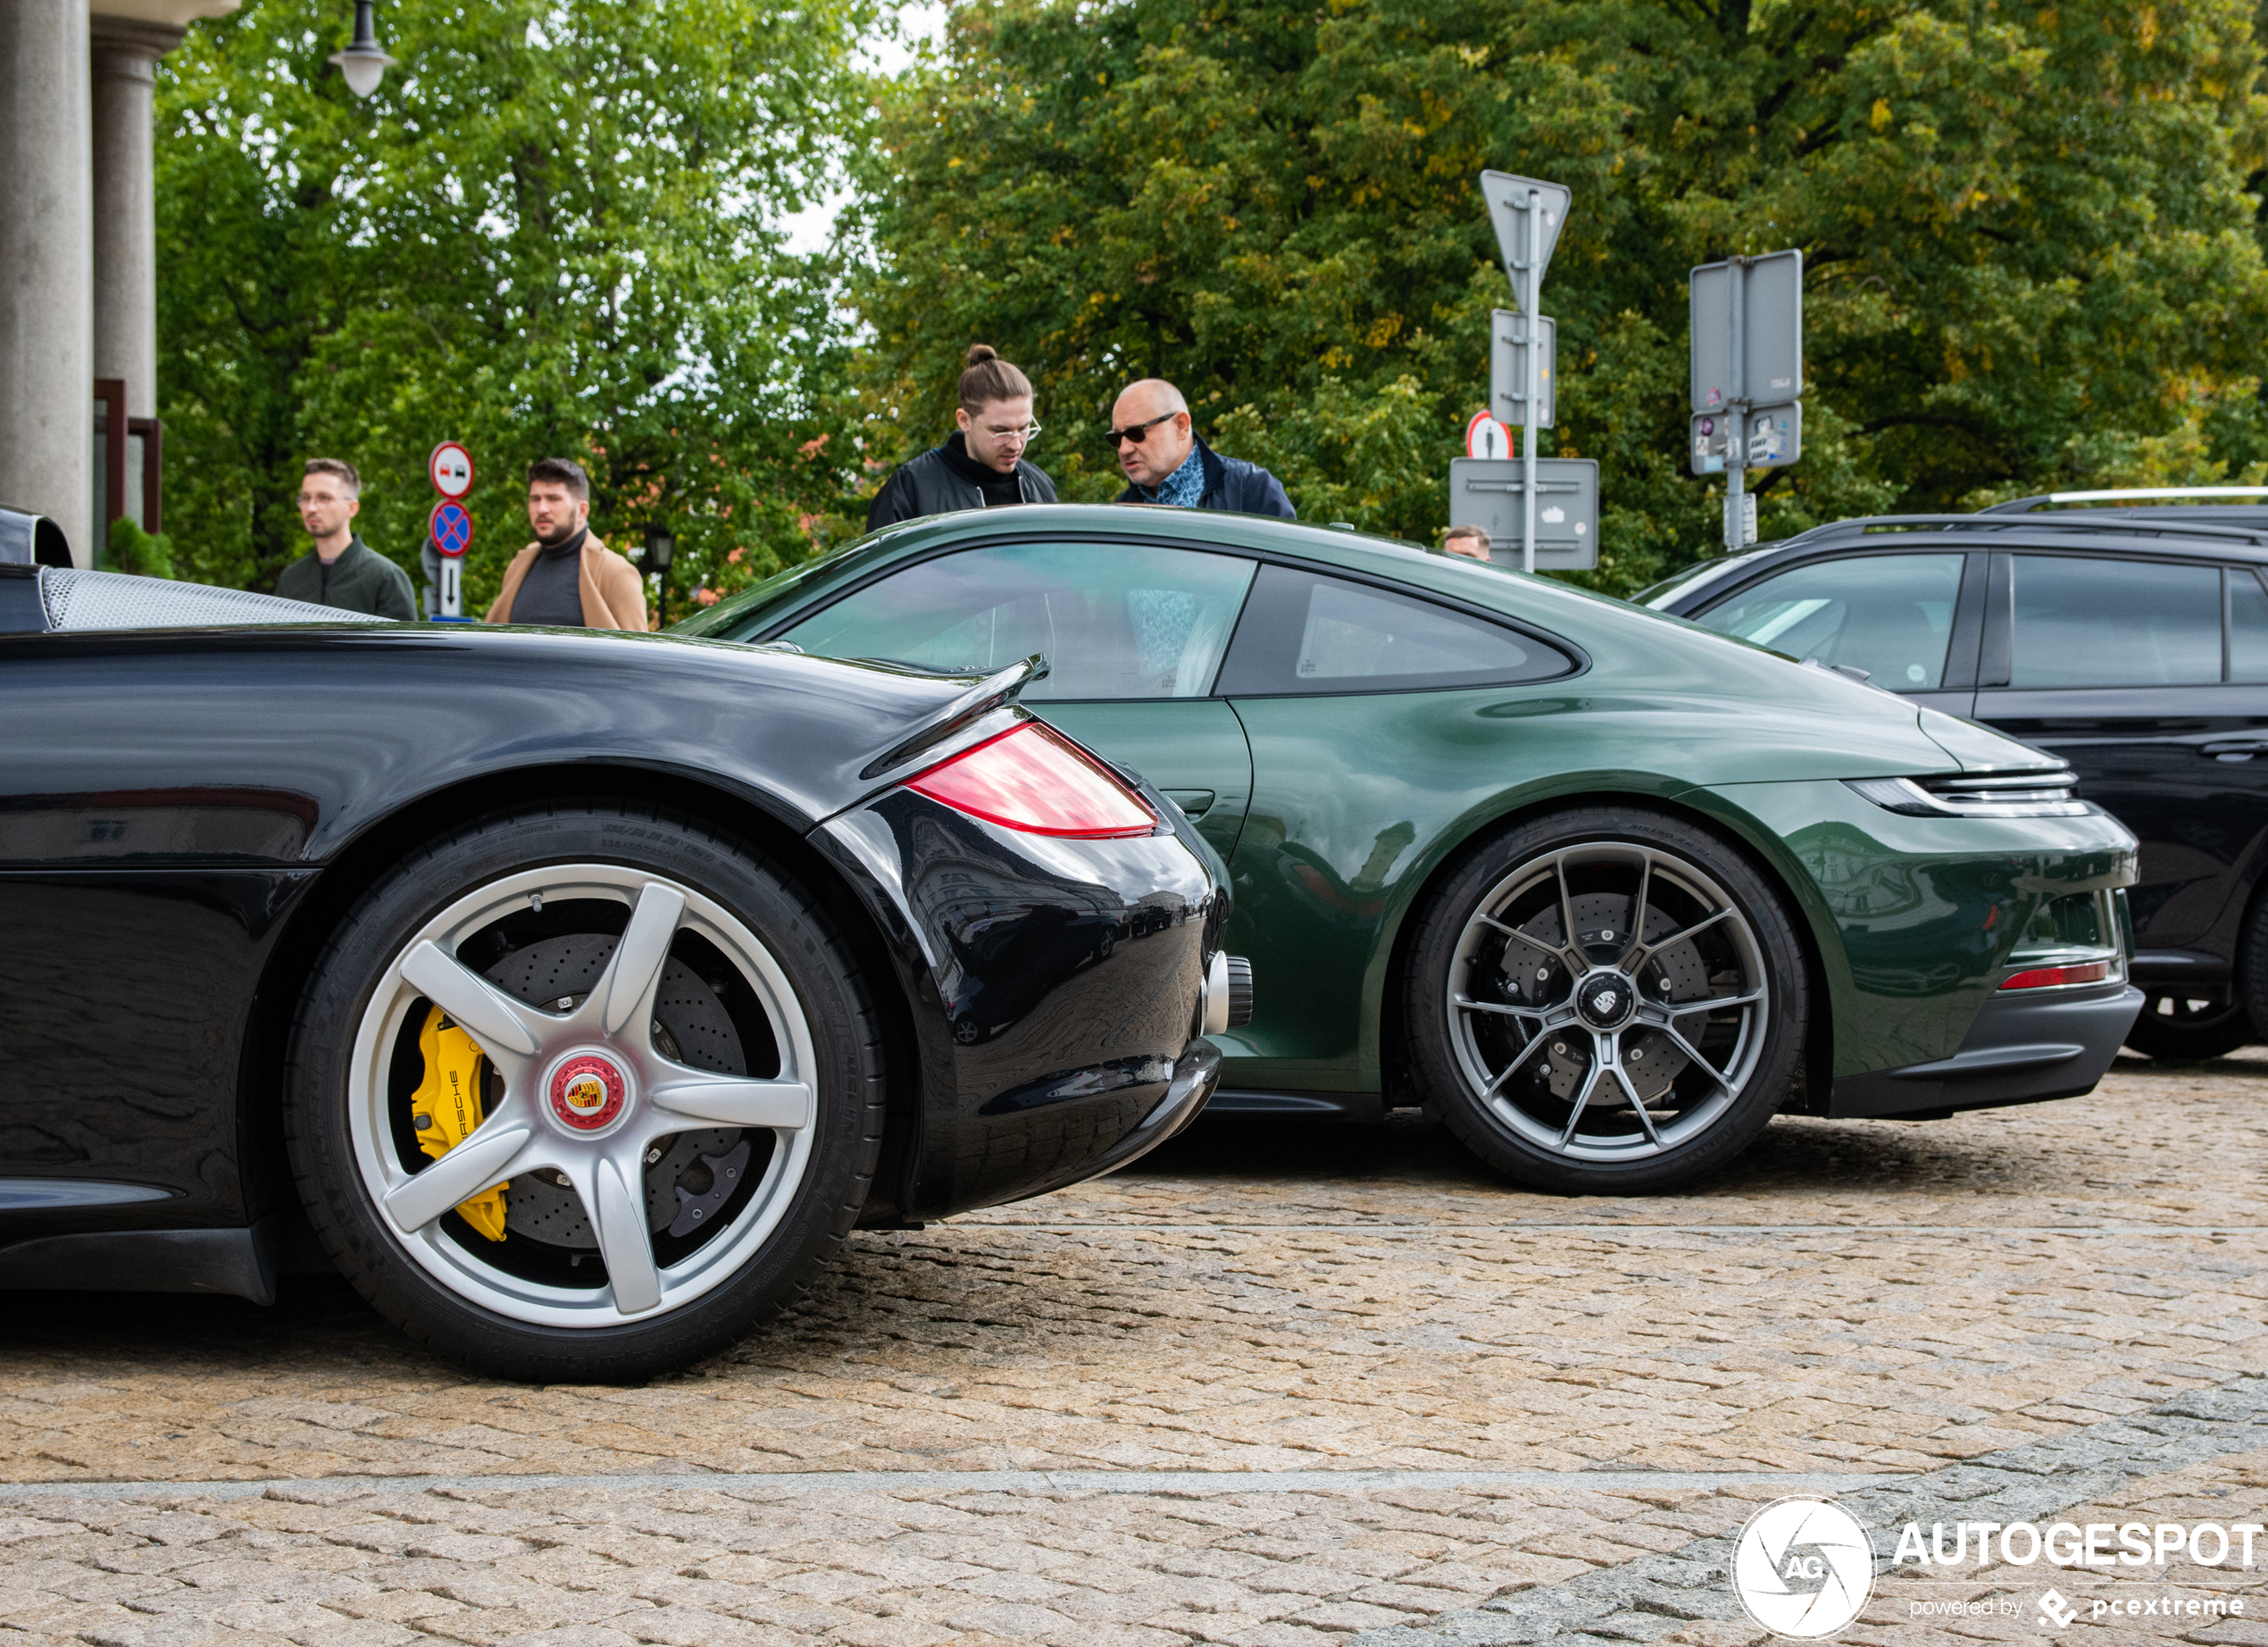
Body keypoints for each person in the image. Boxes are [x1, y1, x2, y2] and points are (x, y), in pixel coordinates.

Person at [866, 346, 1059, 529]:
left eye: (1024, 429)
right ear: (964, 420)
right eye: (1001, 432)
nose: (1016, 444)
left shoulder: (1040, 484)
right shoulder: (911, 488)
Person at [485, 457, 647, 630]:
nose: (542, 508)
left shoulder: (615, 572)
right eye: (535, 499)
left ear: (582, 511)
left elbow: (638, 655)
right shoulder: (518, 566)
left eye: (553, 498)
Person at [1108, 380, 1295, 518]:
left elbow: (1289, 566)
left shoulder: (1249, 489)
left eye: (1136, 433)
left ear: (1181, 426)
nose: (1124, 449)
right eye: (1116, 438)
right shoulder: (1119, 512)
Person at [274, 458, 417, 619]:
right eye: (306, 498)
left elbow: (403, 644)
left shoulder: (385, 578)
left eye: (324, 498)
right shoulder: (291, 579)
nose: (311, 508)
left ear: (352, 508)